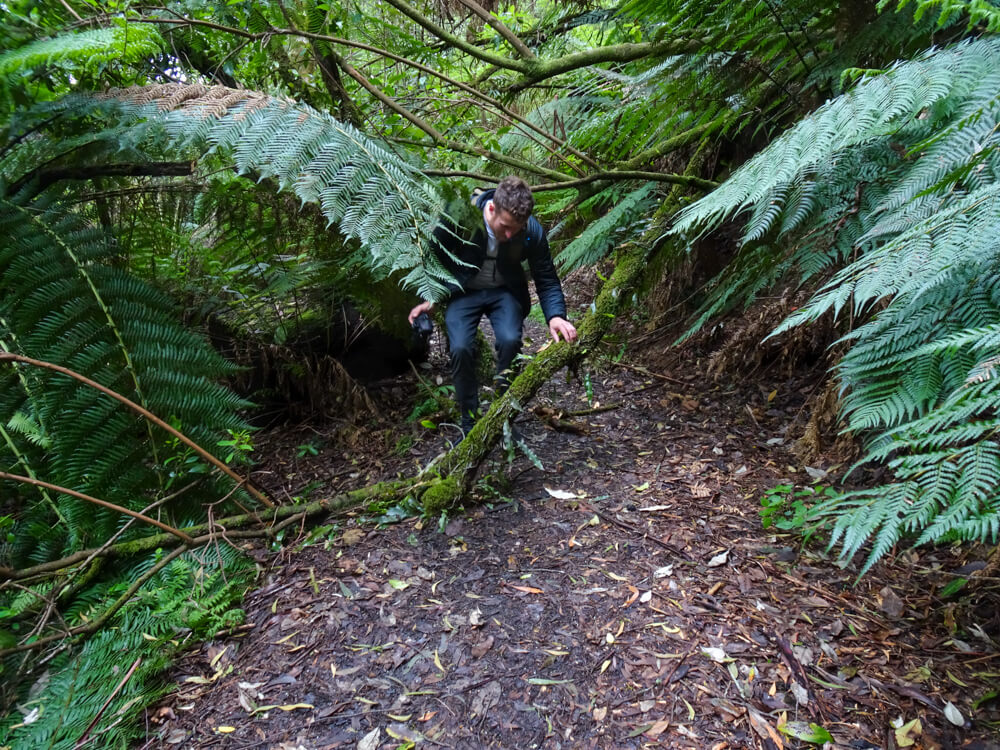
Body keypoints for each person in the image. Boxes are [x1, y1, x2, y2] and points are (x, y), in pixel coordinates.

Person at [408, 176, 577, 436]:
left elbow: (546, 277)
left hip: (505, 292)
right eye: (505, 226)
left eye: (516, 229)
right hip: (463, 291)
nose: (510, 234)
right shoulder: (460, 218)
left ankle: (503, 417)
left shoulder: (530, 231)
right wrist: (431, 297)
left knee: (510, 340)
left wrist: (555, 316)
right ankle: (470, 425)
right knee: (462, 348)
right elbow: (433, 258)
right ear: (491, 209)